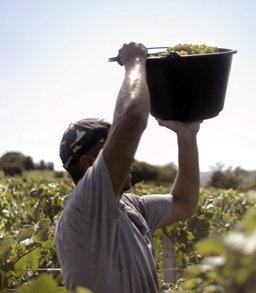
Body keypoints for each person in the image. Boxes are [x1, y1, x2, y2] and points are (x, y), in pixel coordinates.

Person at [55, 42, 201, 292]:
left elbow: (185, 203)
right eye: (109, 146)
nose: (127, 155)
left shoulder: (131, 206)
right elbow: (133, 116)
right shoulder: (86, 206)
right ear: (89, 163)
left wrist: (186, 134)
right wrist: (134, 61)